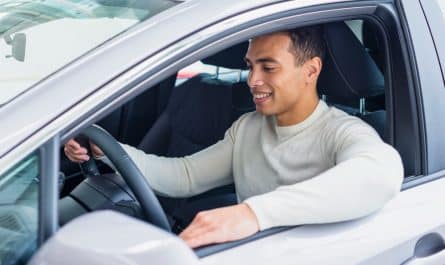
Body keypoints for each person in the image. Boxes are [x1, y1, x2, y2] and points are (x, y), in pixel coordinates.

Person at [64, 26, 404, 248]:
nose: (252, 79)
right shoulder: (248, 127)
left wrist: (252, 214)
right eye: (250, 65)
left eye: (268, 67)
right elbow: (183, 176)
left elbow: (382, 174)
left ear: (311, 71)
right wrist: (105, 149)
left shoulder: (342, 132)